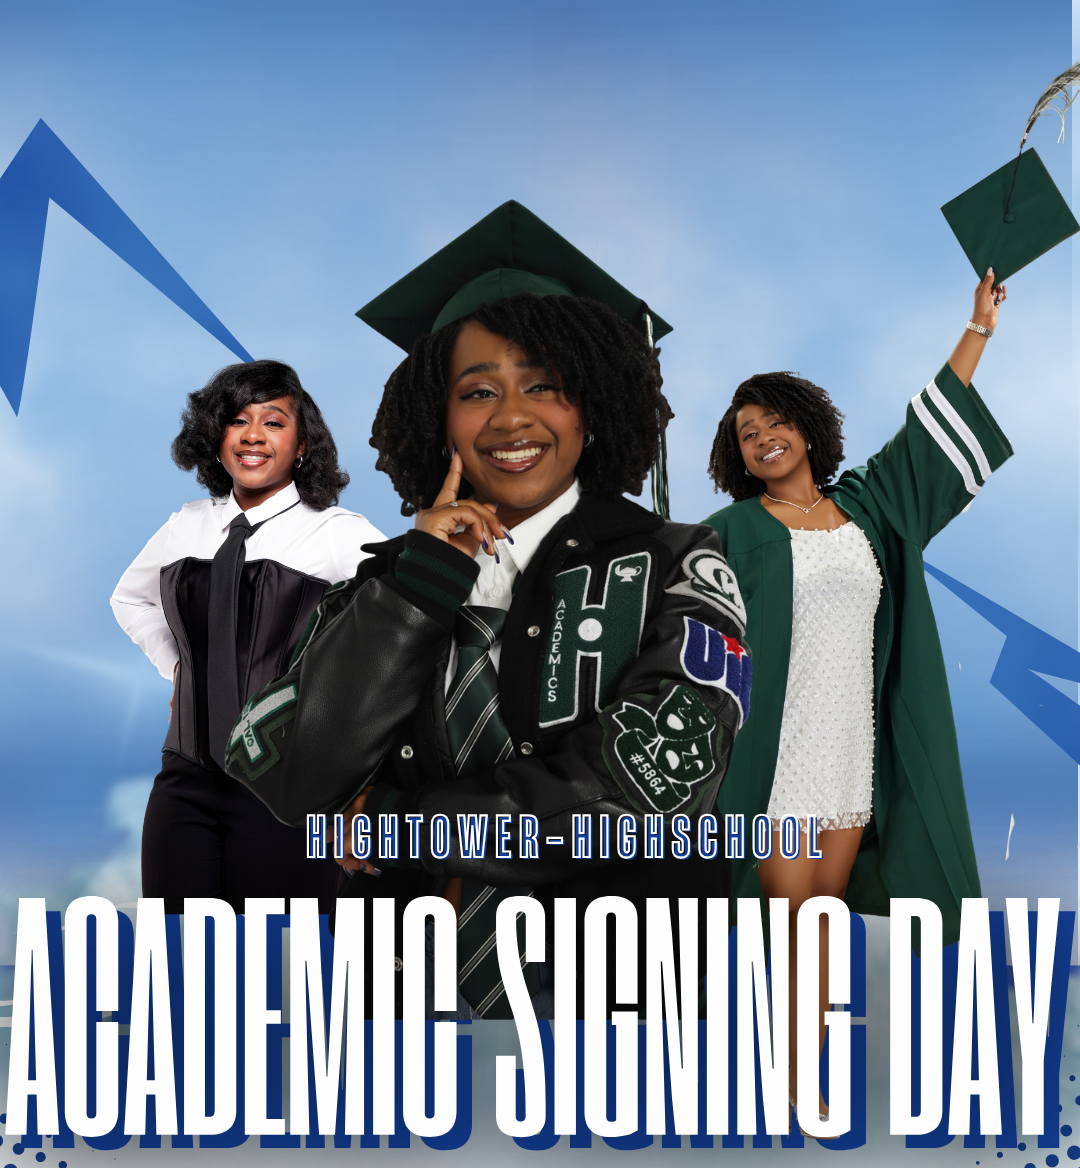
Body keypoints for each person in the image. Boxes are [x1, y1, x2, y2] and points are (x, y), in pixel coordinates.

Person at [224, 201, 751, 1018]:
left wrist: (412, 824)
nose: (511, 417)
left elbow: (651, 783)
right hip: (402, 1007)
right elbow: (292, 772)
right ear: (439, 419)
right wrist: (419, 587)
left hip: (616, 1006)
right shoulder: (384, 583)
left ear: (596, 402)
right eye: (478, 391)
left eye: (545, 384)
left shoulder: (679, 560)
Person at [703, 267, 1010, 1125]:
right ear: (737, 454)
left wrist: (977, 328)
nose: (762, 437)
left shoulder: (867, 509)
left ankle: (803, 1077)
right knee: (776, 918)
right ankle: (762, 1068)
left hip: (849, 743)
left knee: (819, 922)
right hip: (774, 745)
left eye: (772, 421)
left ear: (805, 427)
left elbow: (926, 434)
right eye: (746, 432)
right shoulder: (728, 531)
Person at [111, 360, 384, 913]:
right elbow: (130, 600)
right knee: (176, 959)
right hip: (185, 777)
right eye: (237, 420)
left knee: (278, 967)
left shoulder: (337, 533)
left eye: (274, 422)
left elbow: (400, 633)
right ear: (216, 437)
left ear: (302, 443)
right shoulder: (185, 524)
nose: (253, 435)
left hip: (288, 786)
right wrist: (181, 668)